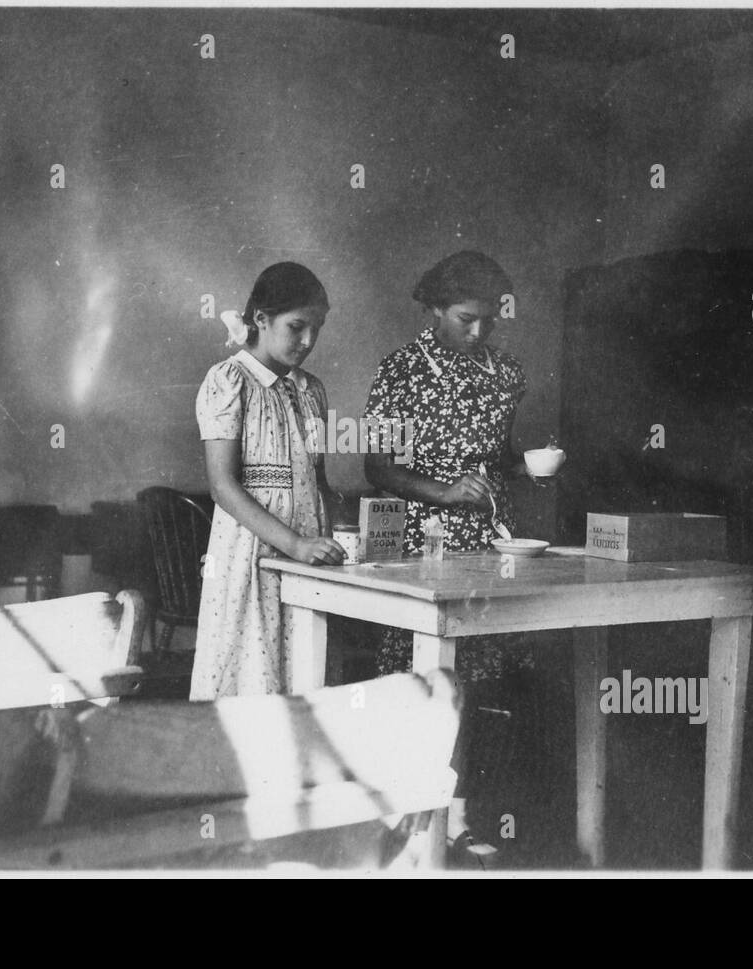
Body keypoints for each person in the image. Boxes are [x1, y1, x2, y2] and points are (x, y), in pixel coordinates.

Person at [363, 250, 533, 865]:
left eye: (490, 319)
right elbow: (377, 467)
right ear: (435, 307)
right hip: (424, 541)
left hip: (492, 542)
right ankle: (403, 823)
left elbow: (500, 454)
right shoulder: (402, 371)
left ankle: (457, 819)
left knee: (479, 686)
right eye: (467, 318)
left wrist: (529, 467)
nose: (480, 331)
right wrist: (444, 491)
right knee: (423, 683)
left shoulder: (506, 372)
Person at [190, 262, 345, 701]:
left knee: (307, 669)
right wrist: (294, 544)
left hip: (309, 547)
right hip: (252, 553)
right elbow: (222, 485)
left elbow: (318, 479)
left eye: (316, 329)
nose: (308, 341)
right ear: (260, 319)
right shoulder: (229, 381)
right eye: (297, 327)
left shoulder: (312, 390)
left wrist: (336, 530)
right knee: (253, 673)